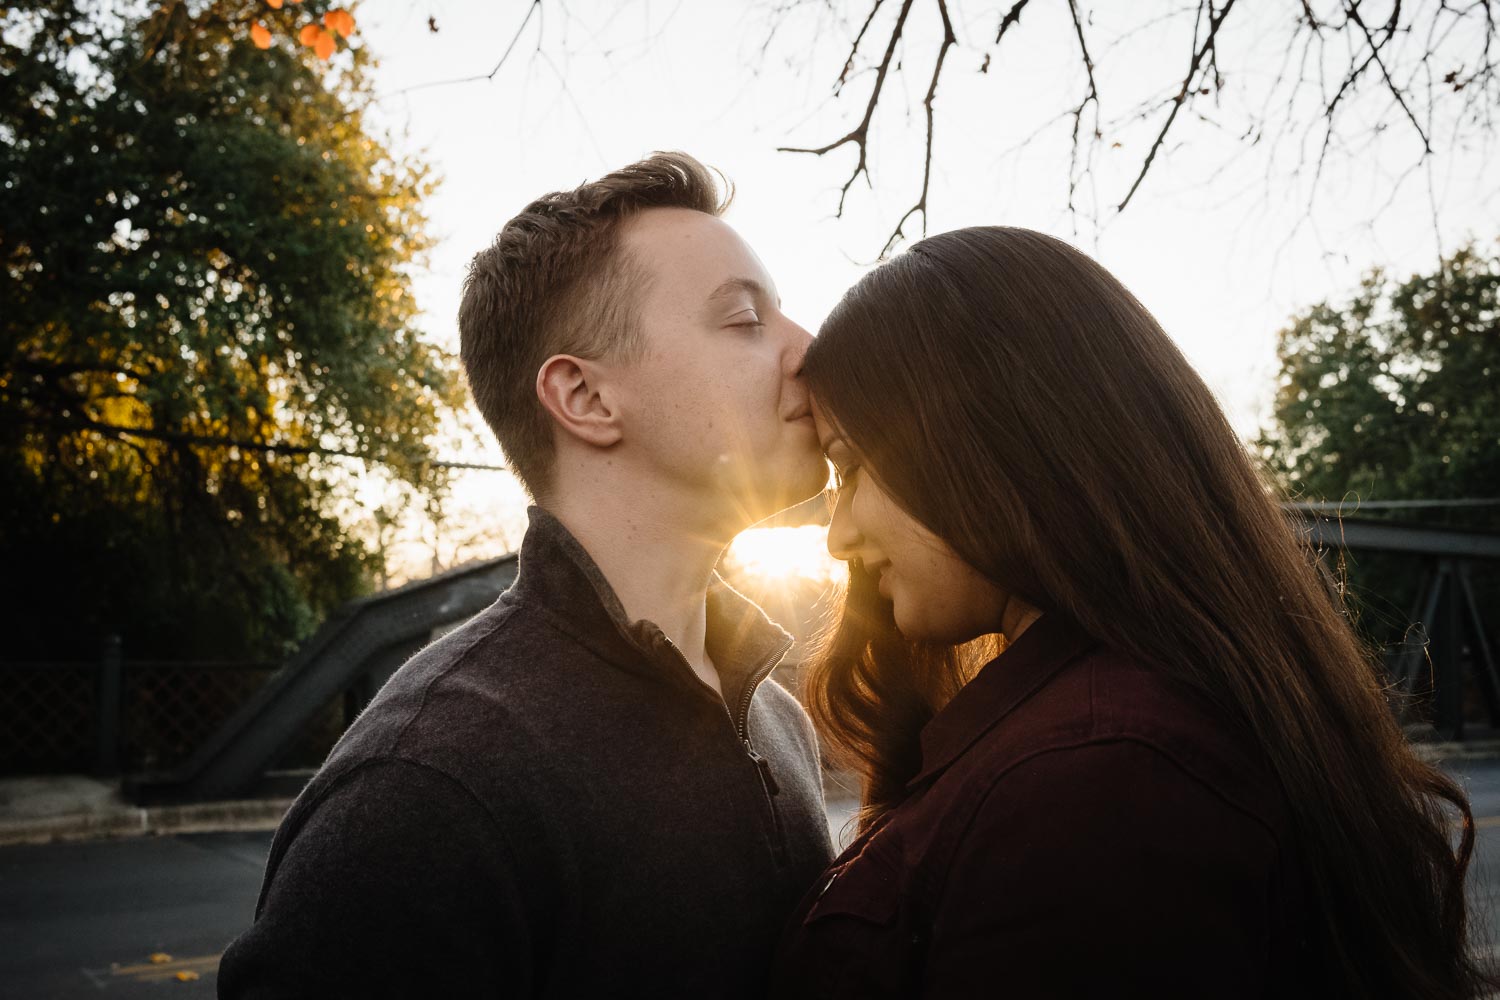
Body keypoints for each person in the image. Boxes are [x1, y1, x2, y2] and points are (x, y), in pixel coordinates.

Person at [769, 227, 1493, 998]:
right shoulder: (1121, 734)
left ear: (985, 441)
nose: (840, 536)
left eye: (850, 467)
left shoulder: (1092, 780)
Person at [218, 153, 835, 998]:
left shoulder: (777, 720)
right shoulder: (425, 792)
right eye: (743, 321)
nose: (810, 350)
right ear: (583, 397)